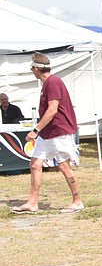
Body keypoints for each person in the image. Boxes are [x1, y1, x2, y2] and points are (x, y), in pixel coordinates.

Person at [11, 53, 84, 215]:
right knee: (35, 164)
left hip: (59, 130)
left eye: (32, 68)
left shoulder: (52, 82)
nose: (32, 71)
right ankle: (32, 202)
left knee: (64, 166)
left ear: (36, 68)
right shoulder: (48, 83)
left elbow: (52, 110)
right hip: (48, 132)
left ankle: (77, 201)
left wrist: (35, 130)